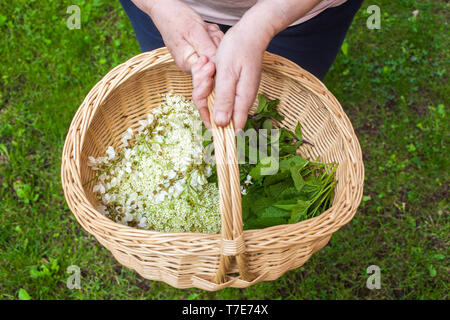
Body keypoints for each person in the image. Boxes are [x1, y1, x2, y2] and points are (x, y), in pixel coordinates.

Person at [120, 0, 363, 130]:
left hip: (301, 13)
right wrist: (157, 5)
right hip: (168, 9)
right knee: (183, 103)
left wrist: (265, 22)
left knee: (278, 115)